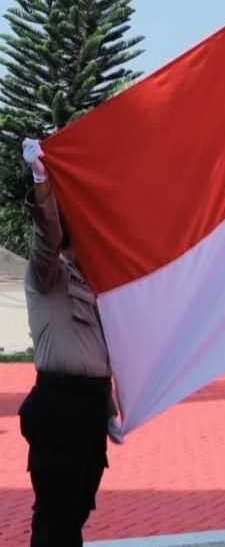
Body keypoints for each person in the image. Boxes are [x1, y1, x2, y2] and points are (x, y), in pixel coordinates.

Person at [17, 138, 124, 546]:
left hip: (90, 408)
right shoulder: (48, 279)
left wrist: (109, 406)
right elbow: (46, 236)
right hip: (58, 408)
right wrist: (41, 180)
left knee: (78, 511)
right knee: (55, 519)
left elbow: (97, 352)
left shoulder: (96, 287)